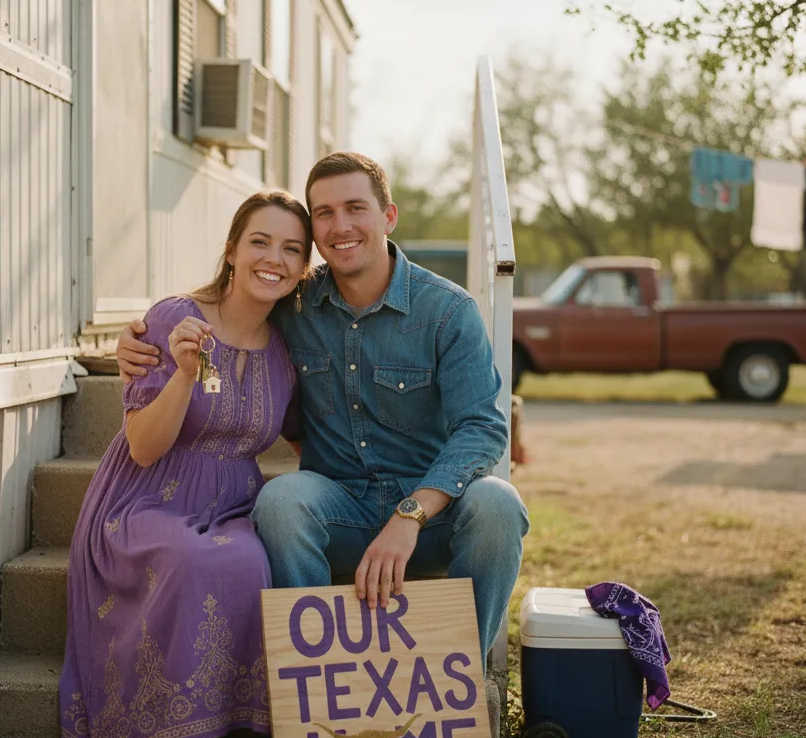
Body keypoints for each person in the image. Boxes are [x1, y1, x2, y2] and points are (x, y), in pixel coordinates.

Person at [115, 152, 528, 674]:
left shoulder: (447, 310)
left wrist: (411, 514)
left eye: (356, 208)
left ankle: (459, 679)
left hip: (430, 518)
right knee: (283, 497)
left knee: (499, 505)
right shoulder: (295, 304)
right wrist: (137, 336)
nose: (341, 226)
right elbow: (227, 306)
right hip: (340, 514)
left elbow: (484, 427)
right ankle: (314, 678)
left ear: (389, 216)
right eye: (324, 214)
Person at [59, 190, 310, 738]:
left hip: (231, 501)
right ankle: (143, 737)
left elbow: (309, 439)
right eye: (259, 241)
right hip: (146, 495)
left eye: (291, 249)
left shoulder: (289, 342)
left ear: (304, 268)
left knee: (248, 559)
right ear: (231, 249)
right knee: (186, 558)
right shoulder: (174, 319)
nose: (272, 257)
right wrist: (185, 375)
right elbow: (143, 445)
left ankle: (195, 731)